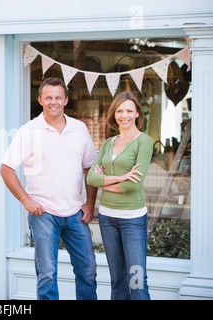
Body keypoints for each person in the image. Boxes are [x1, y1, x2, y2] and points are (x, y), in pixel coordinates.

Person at [0, 77, 98, 300]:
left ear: (65, 100)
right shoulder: (29, 131)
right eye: (48, 98)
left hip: (75, 213)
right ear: (40, 100)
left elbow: (90, 168)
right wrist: (26, 201)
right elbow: (6, 169)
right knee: (47, 274)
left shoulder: (79, 128)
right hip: (43, 214)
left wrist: (90, 204)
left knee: (88, 270)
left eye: (58, 97)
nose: (53, 102)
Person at [87, 91, 153, 300]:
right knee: (117, 280)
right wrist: (122, 177)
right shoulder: (108, 143)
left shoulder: (144, 141)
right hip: (107, 218)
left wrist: (106, 182)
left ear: (136, 114)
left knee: (136, 282)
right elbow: (90, 178)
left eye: (129, 111)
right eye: (120, 110)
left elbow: (134, 186)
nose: (124, 115)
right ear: (114, 114)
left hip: (132, 219)